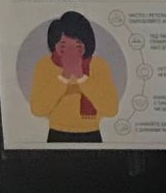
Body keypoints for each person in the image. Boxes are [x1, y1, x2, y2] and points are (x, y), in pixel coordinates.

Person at [29, 10, 119, 144]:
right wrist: (64, 75)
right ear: (54, 45)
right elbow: (38, 109)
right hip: (57, 133)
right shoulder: (44, 65)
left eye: (77, 44)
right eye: (64, 45)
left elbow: (111, 109)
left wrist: (80, 76)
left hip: (91, 133)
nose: (71, 50)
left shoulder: (98, 65)